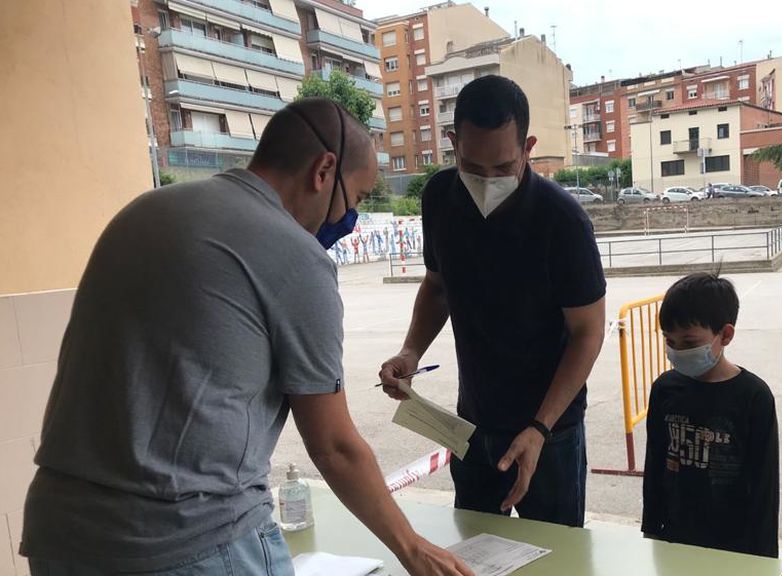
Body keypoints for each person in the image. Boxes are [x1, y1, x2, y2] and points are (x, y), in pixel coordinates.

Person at [20, 98, 471, 576]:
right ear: (324, 170)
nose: (349, 218)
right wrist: (412, 549)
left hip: (60, 533)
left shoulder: (144, 212)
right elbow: (334, 446)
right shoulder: (295, 256)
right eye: (356, 198)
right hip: (189, 542)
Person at [379, 75, 607, 528]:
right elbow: (437, 286)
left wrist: (539, 429)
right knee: (476, 548)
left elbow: (588, 332)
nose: (486, 182)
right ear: (452, 144)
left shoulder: (562, 222)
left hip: (549, 432)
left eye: (503, 168)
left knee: (555, 557)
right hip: (473, 423)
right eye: (472, 167)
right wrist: (410, 351)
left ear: (528, 148)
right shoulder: (441, 197)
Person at [642, 273, 779, 558]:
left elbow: (764, 489)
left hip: (733, 545)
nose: (678, 352)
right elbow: (654, 464)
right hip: (675, 539)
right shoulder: (665, 390)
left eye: (690, 342)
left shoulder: (754, 397)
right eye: (670, 341)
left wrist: (763, 560)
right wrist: (651, 528)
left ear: (725, 335)